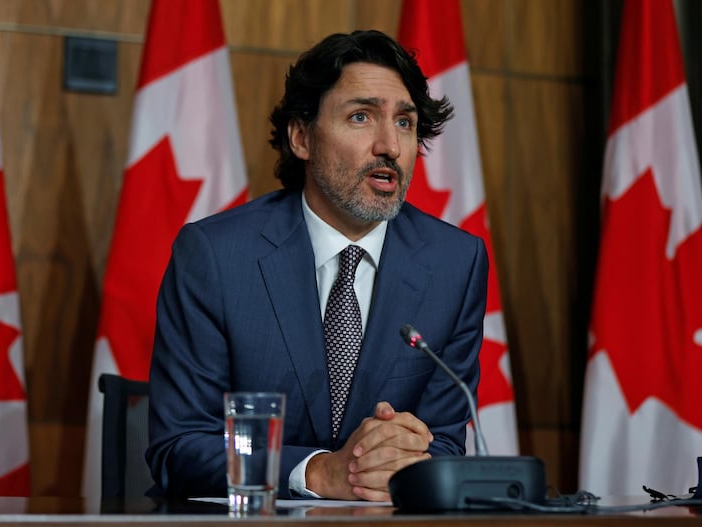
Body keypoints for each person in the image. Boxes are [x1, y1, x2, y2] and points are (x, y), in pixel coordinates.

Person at [146, 29, 489, 502]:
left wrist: (405, 459)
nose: (389, 145)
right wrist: (317, 472)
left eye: (405, 123)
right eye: (361, 117)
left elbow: (445, 442)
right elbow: (179, 446)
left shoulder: (455, 263)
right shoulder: (215, 256)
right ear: (302, 137)